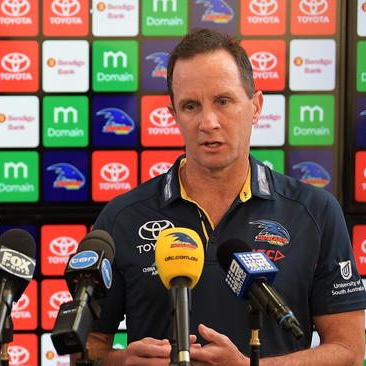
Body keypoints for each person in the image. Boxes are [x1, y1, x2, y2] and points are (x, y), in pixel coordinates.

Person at [85, 28, 366, 366]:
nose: (208, 122)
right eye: (191, 105)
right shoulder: (123, 216)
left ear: (256, 106)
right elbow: (84, 348)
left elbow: (349, 350)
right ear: (173, 115)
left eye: (223, 101)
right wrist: (122, 362)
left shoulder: (315, 211)